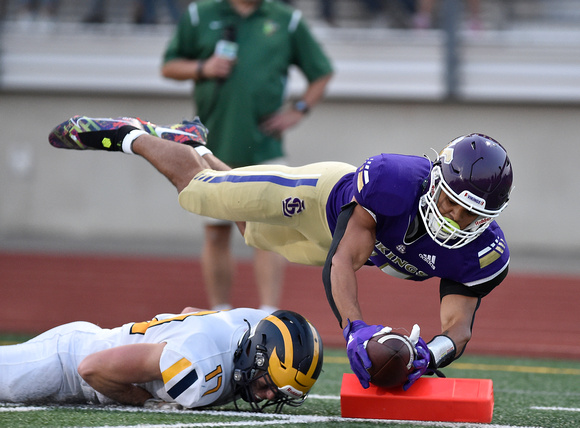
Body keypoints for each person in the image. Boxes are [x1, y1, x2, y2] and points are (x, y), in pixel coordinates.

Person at [48, 115, 513, 391]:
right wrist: (354, 328)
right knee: (198, 193)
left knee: (250, 230)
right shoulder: (393, 180)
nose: (456, 219)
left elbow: (459, 328)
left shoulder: (484, 254)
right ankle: (132, 135)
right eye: (451, 202)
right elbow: (343, 259)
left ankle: (192, 144)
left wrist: (427, 356)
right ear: (435, 179)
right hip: (320, 198)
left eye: (472, 215)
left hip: (341, 244)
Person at [160, 0, 333, 314]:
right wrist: (203, 68)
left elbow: (321, 72)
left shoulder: (286, 20)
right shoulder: (201, 14)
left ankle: (268, 314)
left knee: (269, 233)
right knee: (215, 232)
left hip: (263, 147)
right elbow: (169, 66)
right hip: (213, 144)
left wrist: (298, 110)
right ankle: (220, 312)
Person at [0, 306, 323, 412]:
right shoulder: (202, 361)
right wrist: (148, 403)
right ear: (256, 355)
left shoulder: (249, 328)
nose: (268, 395)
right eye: (268, 384)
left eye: (277, 393)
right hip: (65, 364)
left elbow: (188, 313)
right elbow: (93, 368)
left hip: (94, 345)